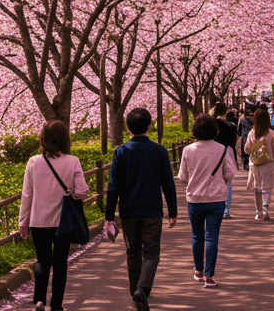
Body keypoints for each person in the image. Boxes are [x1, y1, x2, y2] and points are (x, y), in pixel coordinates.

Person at [104, 108, 178, 311]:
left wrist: (109, 216)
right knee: (152, 253)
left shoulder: (120, 152)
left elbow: (113, 186)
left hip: (128, 210)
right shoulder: (159, 150)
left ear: (128, 128)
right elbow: (168, 184)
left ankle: (135, 291)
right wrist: (173, 211)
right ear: (149, 126)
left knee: (133, 253)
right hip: (152, 210)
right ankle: (142, 290)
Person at [18, 120, 90, 311]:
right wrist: (71, 193)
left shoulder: (33, 162)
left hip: (38, 221)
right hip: (62, 222)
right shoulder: (72, 161)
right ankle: (56, 305)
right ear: (65, 139)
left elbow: (27, 195)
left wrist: (22, 222)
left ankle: (39, 300)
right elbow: (82, 191)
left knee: (42, 260)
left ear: (44, 138)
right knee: (60, 264)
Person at [176, 114, 236, 289]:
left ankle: (198, 271)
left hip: (195, 198)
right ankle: (209, 276)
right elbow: (230, 174)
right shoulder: (222, 149)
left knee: (197, 235)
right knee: (212, 236)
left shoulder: (188, 150)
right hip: (216, 199)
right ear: (214, 130)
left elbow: (182, 177)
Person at [242, 106, 274, 220]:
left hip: (255, 163)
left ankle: (258, 212)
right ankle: (265, 209)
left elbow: (246, 149)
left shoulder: (251, 133)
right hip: (268, 162)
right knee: (267, 188)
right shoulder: (271, 133)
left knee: (257, 188)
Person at [211, 103, 238, 218]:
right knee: (227, 181)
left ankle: (213, 207)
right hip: (225, 154)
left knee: (212, 180)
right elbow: (232, 144)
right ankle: (226, 210)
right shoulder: (230, 126)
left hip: (211, 155)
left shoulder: (209, 124)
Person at [235, 105, 253, 173]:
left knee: (245, 150)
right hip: (252, 136)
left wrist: (239, 134)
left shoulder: (242, 119)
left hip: (244, 136)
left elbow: (239, 129)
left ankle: (246, 165)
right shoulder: (254, 119)